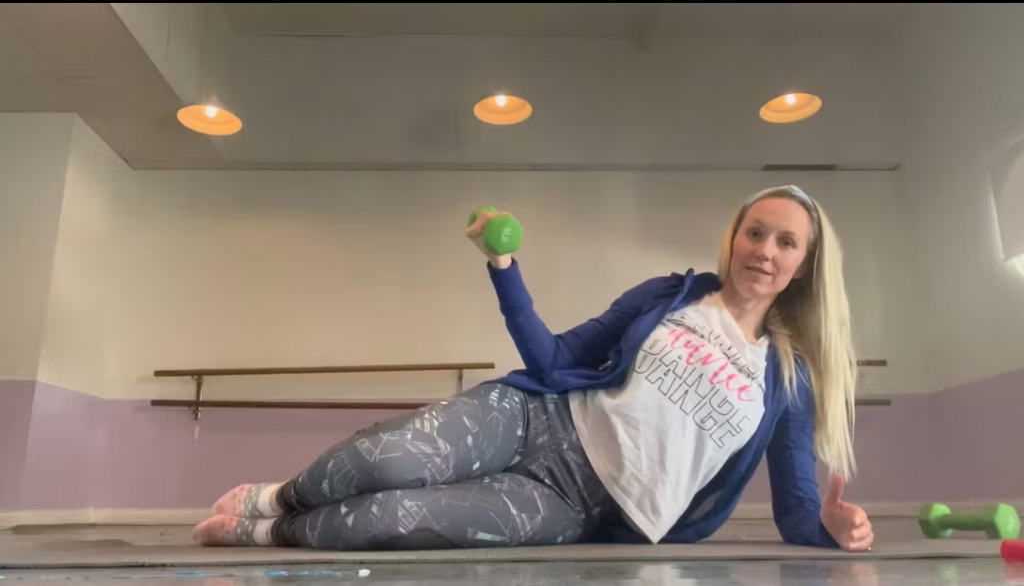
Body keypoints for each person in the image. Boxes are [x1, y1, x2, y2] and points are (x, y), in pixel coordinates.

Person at [193, 185, 874, 552]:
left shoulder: (787, 377)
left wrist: (832, 530)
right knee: (386, 463)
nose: (764, 249)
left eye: (786, 242)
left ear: (804, 266)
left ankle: (262, 532)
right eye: (755, 231)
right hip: (533, 421)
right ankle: (272, 497)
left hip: (575, 505)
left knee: (390, 524)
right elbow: (551, 359)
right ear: (734, 238)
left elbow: (796, 513)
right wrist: (503, 267)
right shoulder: (670, 295)